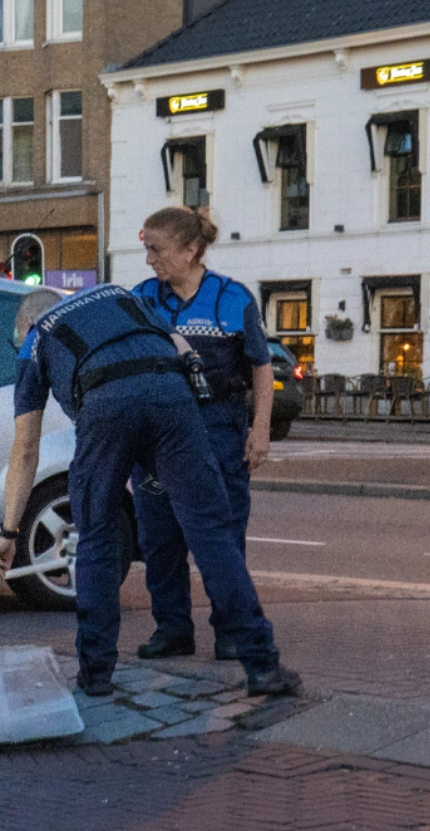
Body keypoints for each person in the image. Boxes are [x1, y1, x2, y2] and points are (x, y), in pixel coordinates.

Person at [0, 285, 300, 698]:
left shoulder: (36, 336)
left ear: (27, 320)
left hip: (103, 405)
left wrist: (9, 534)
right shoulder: (120, 296)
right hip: (171, 395)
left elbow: (26, 449)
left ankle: (95, 674)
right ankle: (262, 665)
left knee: (97, 536)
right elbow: (182, 344)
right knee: (211, 532)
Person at [131, 207, 272, 662]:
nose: (149, 259)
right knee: (159, 534)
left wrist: (261, 429)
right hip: (155, 432)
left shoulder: (233, 299)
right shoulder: (141, 298)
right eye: (146, 248)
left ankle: (231, 630)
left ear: (191, 250)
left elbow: (261, 365)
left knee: (223, 534)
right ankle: (172, 628)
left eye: (157, 249)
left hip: (218, 428)